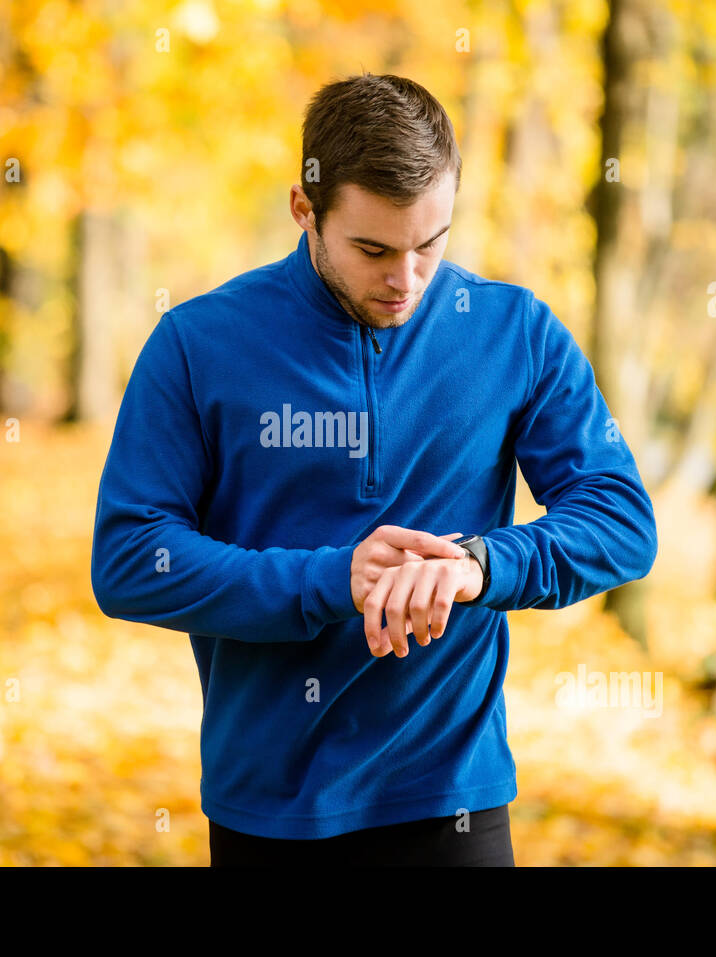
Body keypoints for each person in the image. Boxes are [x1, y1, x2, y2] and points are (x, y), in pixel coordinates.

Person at [90, 71, 658, 866]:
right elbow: (128, 560)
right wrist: (330, 580)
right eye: (373, 249)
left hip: (453, 798)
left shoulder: (514, 331)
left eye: (431, 244)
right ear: (305, 210)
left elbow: (622, 522)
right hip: (270, 808)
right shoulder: (196, 344)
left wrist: (482, 564)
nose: (406, 280)